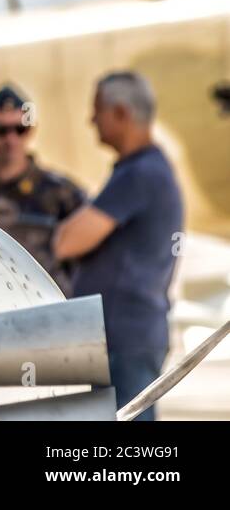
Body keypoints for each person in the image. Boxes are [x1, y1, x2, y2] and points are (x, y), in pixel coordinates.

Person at [54, 71, 184, 421]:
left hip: (125, 342)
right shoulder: (145, 170)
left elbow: (67, 242)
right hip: (127, 337)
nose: (91, 119)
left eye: (98, 110)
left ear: (122, 113)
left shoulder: (139, 175)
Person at [0, 86, 86, 295]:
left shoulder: (63, 194)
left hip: (50, 308)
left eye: (19, 129)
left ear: (31, 131)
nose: (11, 139)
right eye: (2, 130)